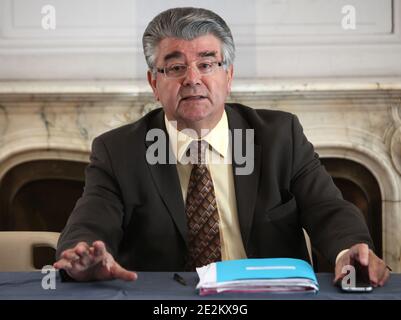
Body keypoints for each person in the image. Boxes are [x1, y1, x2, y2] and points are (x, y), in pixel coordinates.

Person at [54, 7, 390, 286]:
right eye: (175, 67)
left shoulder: (279, 136)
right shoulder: (119, 151)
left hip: (267, 297)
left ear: (228, 76)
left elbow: (328, 210)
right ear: (154, 83)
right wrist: (83, 255)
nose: (192, 78)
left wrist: (348, 251)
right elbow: (90, 222)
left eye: (207, 63)